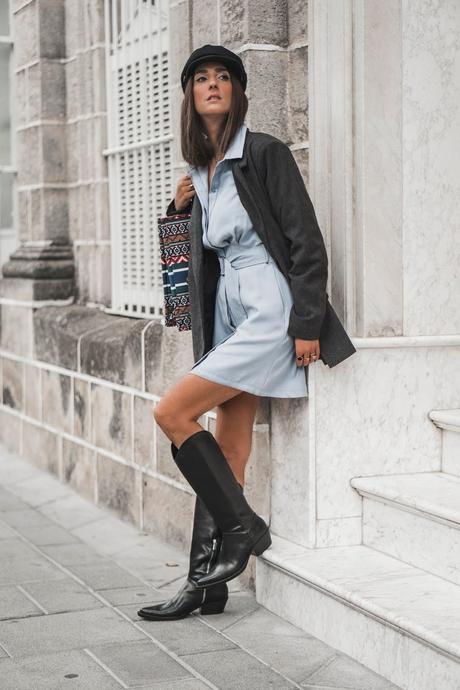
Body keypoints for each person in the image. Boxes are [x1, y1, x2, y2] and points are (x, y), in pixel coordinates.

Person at [138, 44, 355, 622]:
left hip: (267, 305)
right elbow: (186, 263)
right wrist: (178, 207)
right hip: (228, 309)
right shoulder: (198, 172)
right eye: (201, 78)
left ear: (237, 90)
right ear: (189, 95)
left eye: (223, 77)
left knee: (172, 412)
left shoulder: (263, 153)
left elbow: (306, 240)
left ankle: (244, 527)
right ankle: (205, 583)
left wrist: (305, 320)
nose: (212, 85)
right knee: (229, 446)